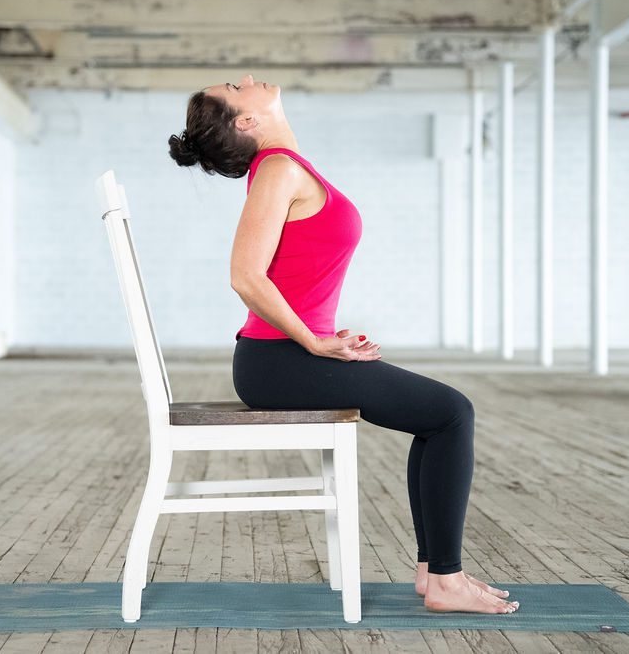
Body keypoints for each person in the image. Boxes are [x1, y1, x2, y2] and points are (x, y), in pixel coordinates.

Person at [167, 74, 519, 615]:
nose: (247, 78)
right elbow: (245, 276)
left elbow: (296, 274)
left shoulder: (287, 168)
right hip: (278, 362)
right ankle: (445, 577)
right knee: (452, 413)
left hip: (288, 355)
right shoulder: (278, 170)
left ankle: (434, 573)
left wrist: (326, 335)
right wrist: (315, 341)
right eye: (237, 87)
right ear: (246, 121)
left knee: (438, 417)